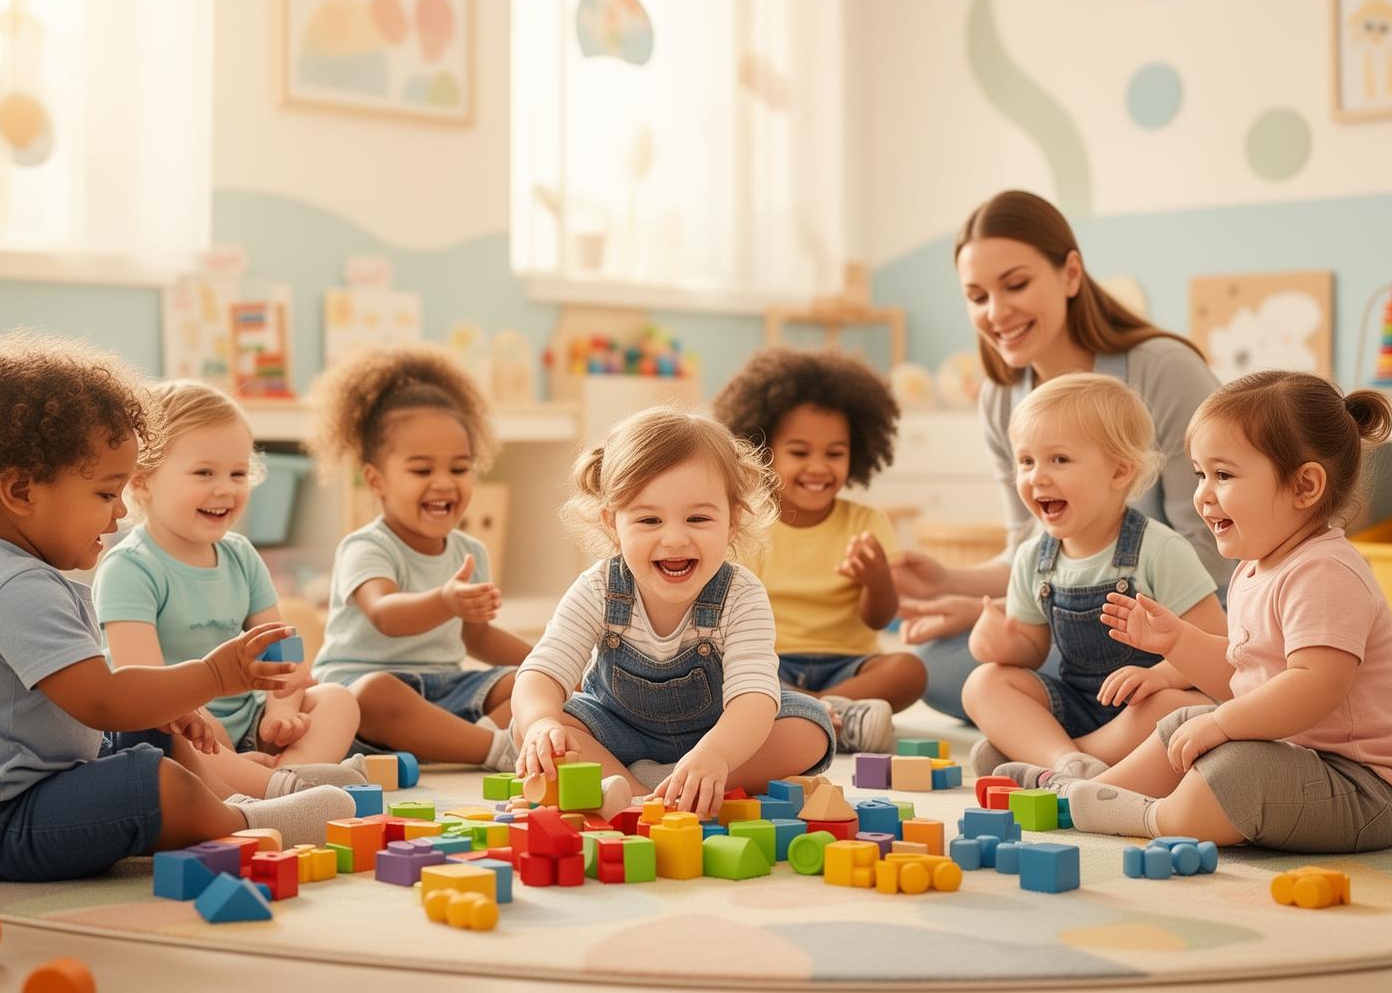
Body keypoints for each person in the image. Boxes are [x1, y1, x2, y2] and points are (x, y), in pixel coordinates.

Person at [0, 333, 352, 881]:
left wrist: (165, 705)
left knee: (153, 731)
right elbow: (103, 701)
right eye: (104, 494)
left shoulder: (18, 573)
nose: (119, 514)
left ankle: (226, 803)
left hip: (40, 784)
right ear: (21, 492)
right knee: (149, 782)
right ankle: (243, 821)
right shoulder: (13, 588)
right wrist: (213, 674)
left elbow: (94, 694)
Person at [993, 373, 1392, 853]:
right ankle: (1088, 788)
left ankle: (1148, 816)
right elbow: (1247, 677)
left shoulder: (1325, 572)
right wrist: (1176, 646)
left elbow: (1315, 685)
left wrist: (1222, 726)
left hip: (1363, 790)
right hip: (1296, 757)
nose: (1203, 494)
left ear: (1304, 486)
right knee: (1187, 722)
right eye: (1200, 475)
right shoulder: (1255, 569)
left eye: (1223, 475)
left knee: (1232, 762)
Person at [899, 189, 1229, 721]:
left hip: (1184, 611)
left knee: (1212, 666)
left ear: (1070, 273)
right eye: (977, 295)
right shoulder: (1001, 397)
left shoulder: (1162, 369)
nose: (996, 312)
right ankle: (1097, 722)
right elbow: (1031, 549)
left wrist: (1043, 616)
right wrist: (952, 584)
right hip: (1070, 620)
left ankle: (1123, 712)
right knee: (934, 668)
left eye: (1016, 284)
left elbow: (1214, 546)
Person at [510, 406, 836, 822]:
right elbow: (544, 670)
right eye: (649, 519)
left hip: (720, 733)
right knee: (532, 729)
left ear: (732, 521)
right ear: (614, 524)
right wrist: (540, 722)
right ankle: (637, 794)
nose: (675, 538)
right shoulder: (598, 587)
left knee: (810, 727)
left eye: (698, 518)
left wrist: (716, 755)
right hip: (618, 732)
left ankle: (688, 777)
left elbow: (752, 697)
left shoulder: (741, 594)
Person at [95, 380, 365, 800]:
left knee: (337, 699)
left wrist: (282, 708)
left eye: (238, 473)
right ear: (144, 481)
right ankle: (280, 788)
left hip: (248, 716)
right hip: (182, 721)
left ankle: (287, 775)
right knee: (162, 731)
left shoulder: (240, 555)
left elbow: (281, 649)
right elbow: (142, 688)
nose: (226, 488)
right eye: (205, 473)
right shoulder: (130, 568)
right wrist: (210, 733)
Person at [957, 374, 1223, 779]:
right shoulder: (1033, 558)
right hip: (1075, 705)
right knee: (984, 683)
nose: (1037, 477)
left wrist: (1158, 675)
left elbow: (1216, 648)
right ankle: (1067, 760)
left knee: (1186, 709)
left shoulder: (1158, 551)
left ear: (1119, 472)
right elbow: (1030, 651)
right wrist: (1000, 644)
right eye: (1026, 461)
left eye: (1059, 460)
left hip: (1143, 707)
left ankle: (1051, 757)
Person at [306, 346, 530, 770]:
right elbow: (385, 613)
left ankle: (461, 742)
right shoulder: (367, 546)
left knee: (532, 683)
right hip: (363, 696)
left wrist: (549, 660)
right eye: (422, 471)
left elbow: (478, 639)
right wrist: (444, 601)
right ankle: (490, 749)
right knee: (375, 694)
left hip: (448, 691)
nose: (444, 483)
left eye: (460, 469)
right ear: (376, 480)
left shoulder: (470, 551)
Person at [713, 346, 925, 753]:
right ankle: (838, 719)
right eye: (799, 452)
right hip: (771, 664)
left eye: (835, 453)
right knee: (716, 673)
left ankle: (816, 711)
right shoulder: (746, 522)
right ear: (762, 451)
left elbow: (879, 619)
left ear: (857, 452)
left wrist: (877, 579)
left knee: (909, 668)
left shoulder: (867, 522)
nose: (818, 467)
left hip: (850, 666)